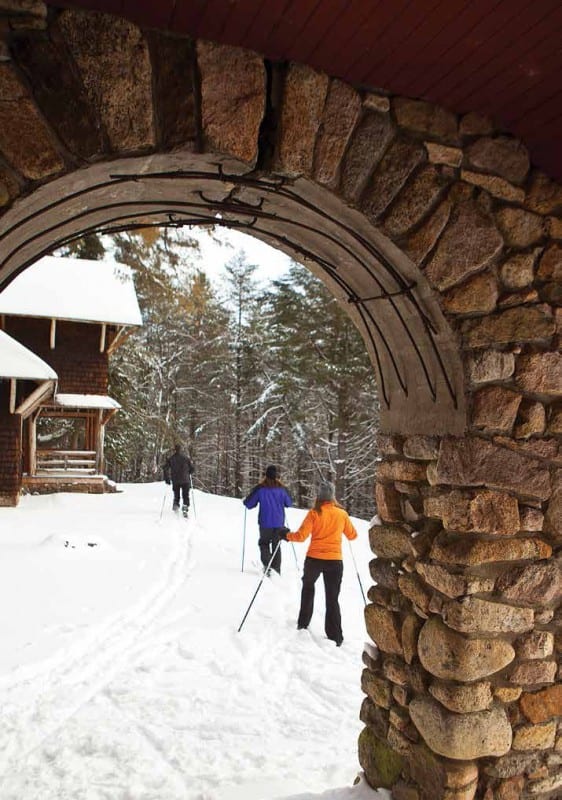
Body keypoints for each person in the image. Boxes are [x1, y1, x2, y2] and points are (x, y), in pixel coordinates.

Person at [279, 481, 357, 646]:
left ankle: (303, 622)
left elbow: (300, 537)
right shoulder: (341, 514)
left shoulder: (314, 513)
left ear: (319, 497)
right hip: (335, 561)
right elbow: (352, 535)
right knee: (332, 597)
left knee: (308, 587)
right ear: (333, 496)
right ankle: (335, 636)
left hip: (314, 559)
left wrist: (286, 535)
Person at [243, 465, 292, 575]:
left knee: (264, 543)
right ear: (276, 476)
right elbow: (289, 503)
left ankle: (268, 567)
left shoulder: (260, 488)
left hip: (265, 523)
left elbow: (249, 504)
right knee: (276, 546)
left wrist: (245, 501)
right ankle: (276, 570)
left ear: (266, 475)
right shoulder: (282, 489)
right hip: (279, 522)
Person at [163, 444, 195, 515]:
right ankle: (185, 507)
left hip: (175, 480)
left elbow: (165, 468)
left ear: (175, 450)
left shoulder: (171, 458)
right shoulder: (186, 458)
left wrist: (167, 479)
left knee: (176, 494)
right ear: (181, 449)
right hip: (185, 480)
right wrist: (188, 472)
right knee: (185, 495)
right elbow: (192, 469)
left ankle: (176, 506)